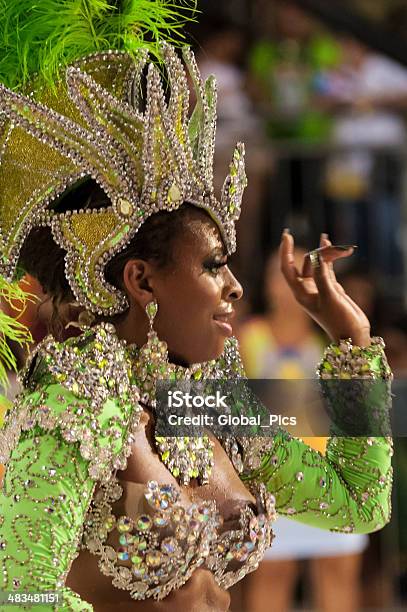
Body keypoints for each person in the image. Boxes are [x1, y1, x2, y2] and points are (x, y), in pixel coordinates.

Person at [0, 2, 393, 611]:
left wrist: (354, 344)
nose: (235, 286)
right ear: (142, 281)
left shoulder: (204, 404)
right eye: (212, 265)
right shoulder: (72, 404)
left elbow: (358, 505)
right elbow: (20, 592)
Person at [238, 248, 368, 612]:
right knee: (271, 576)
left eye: (299, 274)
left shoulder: (327, 342)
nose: (287, 284)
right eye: (280, 275)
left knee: (338, 573)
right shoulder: (247, 337)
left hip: (327, 475)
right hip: (271, 479)